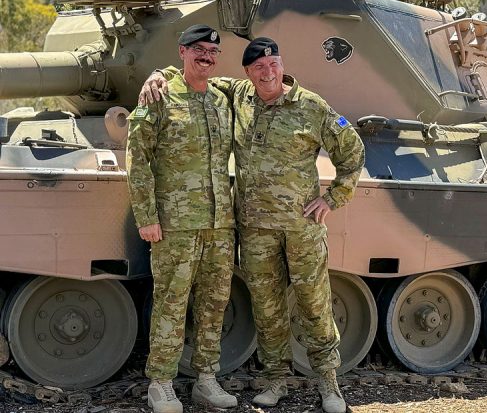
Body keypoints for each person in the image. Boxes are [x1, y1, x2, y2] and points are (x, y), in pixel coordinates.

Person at [140, 37, 365, 413]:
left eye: (273, 63)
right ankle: (276, 379)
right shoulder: (240, 94)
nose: (268, 72)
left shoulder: (312, 106)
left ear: (282, 65)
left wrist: (333, 198)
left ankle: (329, 383)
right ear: (247, 73)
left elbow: (353, 150)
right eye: (259, 67)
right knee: (267, 307)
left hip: (301, 228)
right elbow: (196, 73)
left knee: (314, 304)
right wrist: (157, 74)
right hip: (255, 230)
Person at [127, 24, 239, 413]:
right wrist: (147, 216)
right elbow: (137, 157)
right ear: (182, 51)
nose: (206, 56)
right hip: (174, 224)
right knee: (171, 303)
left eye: (212, 51)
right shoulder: (158, 95)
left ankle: (206, 380)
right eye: (198, 49)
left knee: (214, 303)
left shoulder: (222, 100)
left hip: (219, 224)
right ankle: (160, 384)